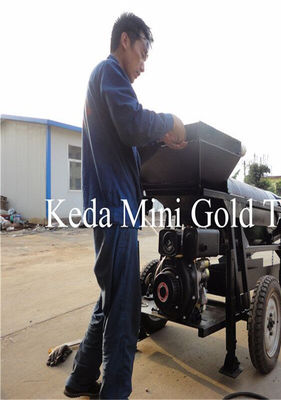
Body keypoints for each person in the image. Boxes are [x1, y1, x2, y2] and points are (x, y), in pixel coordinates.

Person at [64, 12, 187, 399]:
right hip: (115, 210)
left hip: (115, 209)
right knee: (123, 309)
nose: (143, 65)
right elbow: (133, 124)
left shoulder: (108, 88)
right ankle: (115, 392)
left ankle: (80, 379)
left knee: (112, 298)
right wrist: (169, 120)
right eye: (143, 53)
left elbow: (131, 143)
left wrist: (160, 140)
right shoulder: (109, 72)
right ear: (125, 41)